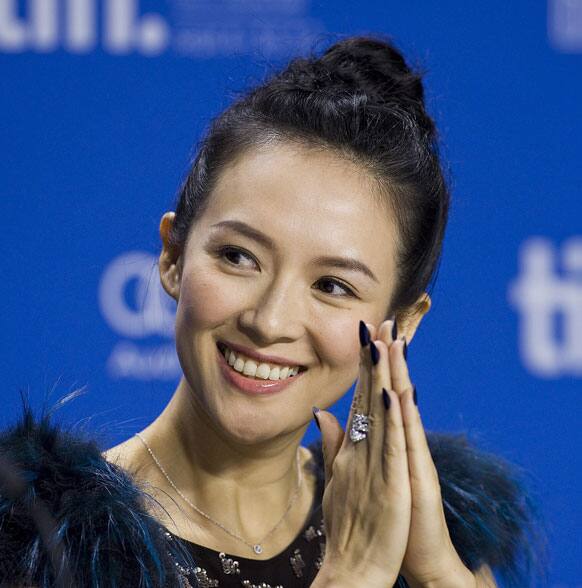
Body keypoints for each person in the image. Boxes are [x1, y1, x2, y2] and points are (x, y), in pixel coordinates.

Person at [0, 35, 546, 588]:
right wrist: (353, 575)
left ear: (401, 325)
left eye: (332, 286)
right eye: (239, 256)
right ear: (172, 255)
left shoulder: (436, 544)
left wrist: (434, 572)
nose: (270, 320)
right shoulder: (38, 544)